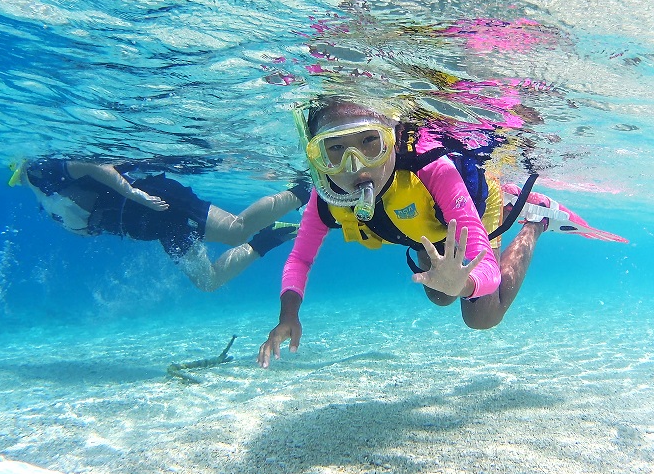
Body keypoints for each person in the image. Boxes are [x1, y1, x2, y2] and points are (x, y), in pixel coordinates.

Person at [257, 97, 626, 367]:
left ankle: (534, 223)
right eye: (334, 150)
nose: (356, 167)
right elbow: (300, 258)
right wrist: (288, 315)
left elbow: (486, 268)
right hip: (426, 233)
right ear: (316, 157)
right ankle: (501, 233)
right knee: (438, 298)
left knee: (481, 317)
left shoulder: (430, 168)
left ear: (394, 138)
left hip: (473, 209)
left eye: (371, 143)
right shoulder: (327, 198)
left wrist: (464, 284)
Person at [9, 158, 310, 291]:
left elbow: (93, 167)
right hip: (153, 227)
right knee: (209, 282)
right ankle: (268, 239)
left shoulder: (40, 171)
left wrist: (132, 192)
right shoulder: (42, 196)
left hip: (156, 201)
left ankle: (303, 190)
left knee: (235, 232)